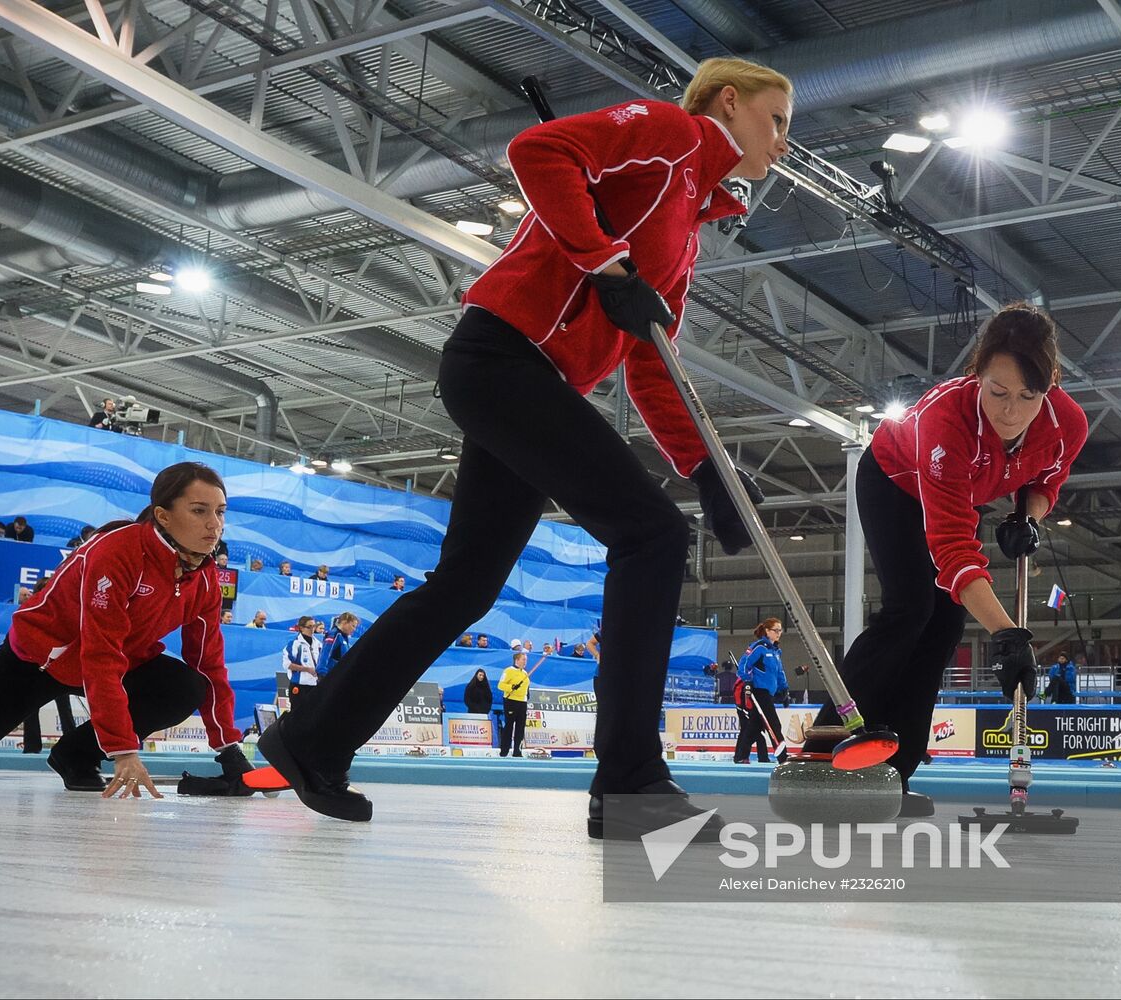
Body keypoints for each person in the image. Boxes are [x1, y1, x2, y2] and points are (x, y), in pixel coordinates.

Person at [259, 57, 789, 838]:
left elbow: (648, 357)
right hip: (503, 359)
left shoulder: (686, 228)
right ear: (730, 102)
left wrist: (703, 465)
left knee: (466, 585)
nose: (781, 143)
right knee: (650, 535)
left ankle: (310, 741)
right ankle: (630, 781)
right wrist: (605, 264)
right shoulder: (670, 133)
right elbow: (539, 152)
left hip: (529, 382)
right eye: (775, 121)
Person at [804, 303, 1088, 818]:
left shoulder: (1066, 423)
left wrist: (1030, 515)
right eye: (997, 391)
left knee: (944, 626)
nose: (1010, 411)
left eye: (1029, 395)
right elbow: (954, 550)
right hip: (895, 483)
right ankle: (824, 752)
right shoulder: (946, 419)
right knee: (911, 607)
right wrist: (1008, 636)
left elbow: (1047, 480)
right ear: (977, 375)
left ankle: (894, 773)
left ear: (1049, 389)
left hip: (962, 497)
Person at [0, 462, 250, 796]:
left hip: (119, 661)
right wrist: (123, 751)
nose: (214, 524)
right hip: (36, 660)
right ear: (163, 516)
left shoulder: (204, 580)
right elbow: (99, 653)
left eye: (220, 512)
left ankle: (75, 755)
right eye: (199, 511)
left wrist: (228, 749)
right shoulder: (116, 553)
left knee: (185, 686)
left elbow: (208, 664)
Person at [734, 619, 787, 764]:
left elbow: (779, 672)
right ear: (767, 631)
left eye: (780, 630)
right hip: (759, 691)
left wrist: (784, 688)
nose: (778, 633)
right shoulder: (759, 647)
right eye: (776, 630)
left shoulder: (775, 651)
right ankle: (783, 757)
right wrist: (748, 680)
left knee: (755, 725)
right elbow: (744, 664)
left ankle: (740, 755)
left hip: (769, 692)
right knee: (774, 724)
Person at [497, 649, 548, 757]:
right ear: (517, 660)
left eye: (526, 660)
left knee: (520, 727)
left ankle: (517, 751)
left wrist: (526, 696)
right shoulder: (508, 671)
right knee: (509, 726)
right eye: (523, 659)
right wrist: (511, 687)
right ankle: (504, 751)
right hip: (511, 701)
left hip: (522, 702)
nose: (525, 662)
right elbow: (500, 685)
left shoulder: (525, 673)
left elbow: (526, 687)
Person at [283, 616, 324, 708]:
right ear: (301, 628)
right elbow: (287, 664)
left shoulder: (318, 644)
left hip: (314, 685)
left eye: (314, 626)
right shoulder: (294, 644)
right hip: (299, 686)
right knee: (297, 715)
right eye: (309, 627)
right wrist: (307, 669)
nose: (312, 629)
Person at [317, 612, 359, 680]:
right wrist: (322, 673)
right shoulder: (334, 634)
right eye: (353, 626)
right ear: (344, 622)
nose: (354, 629)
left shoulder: (344, 637)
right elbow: (325, 653)